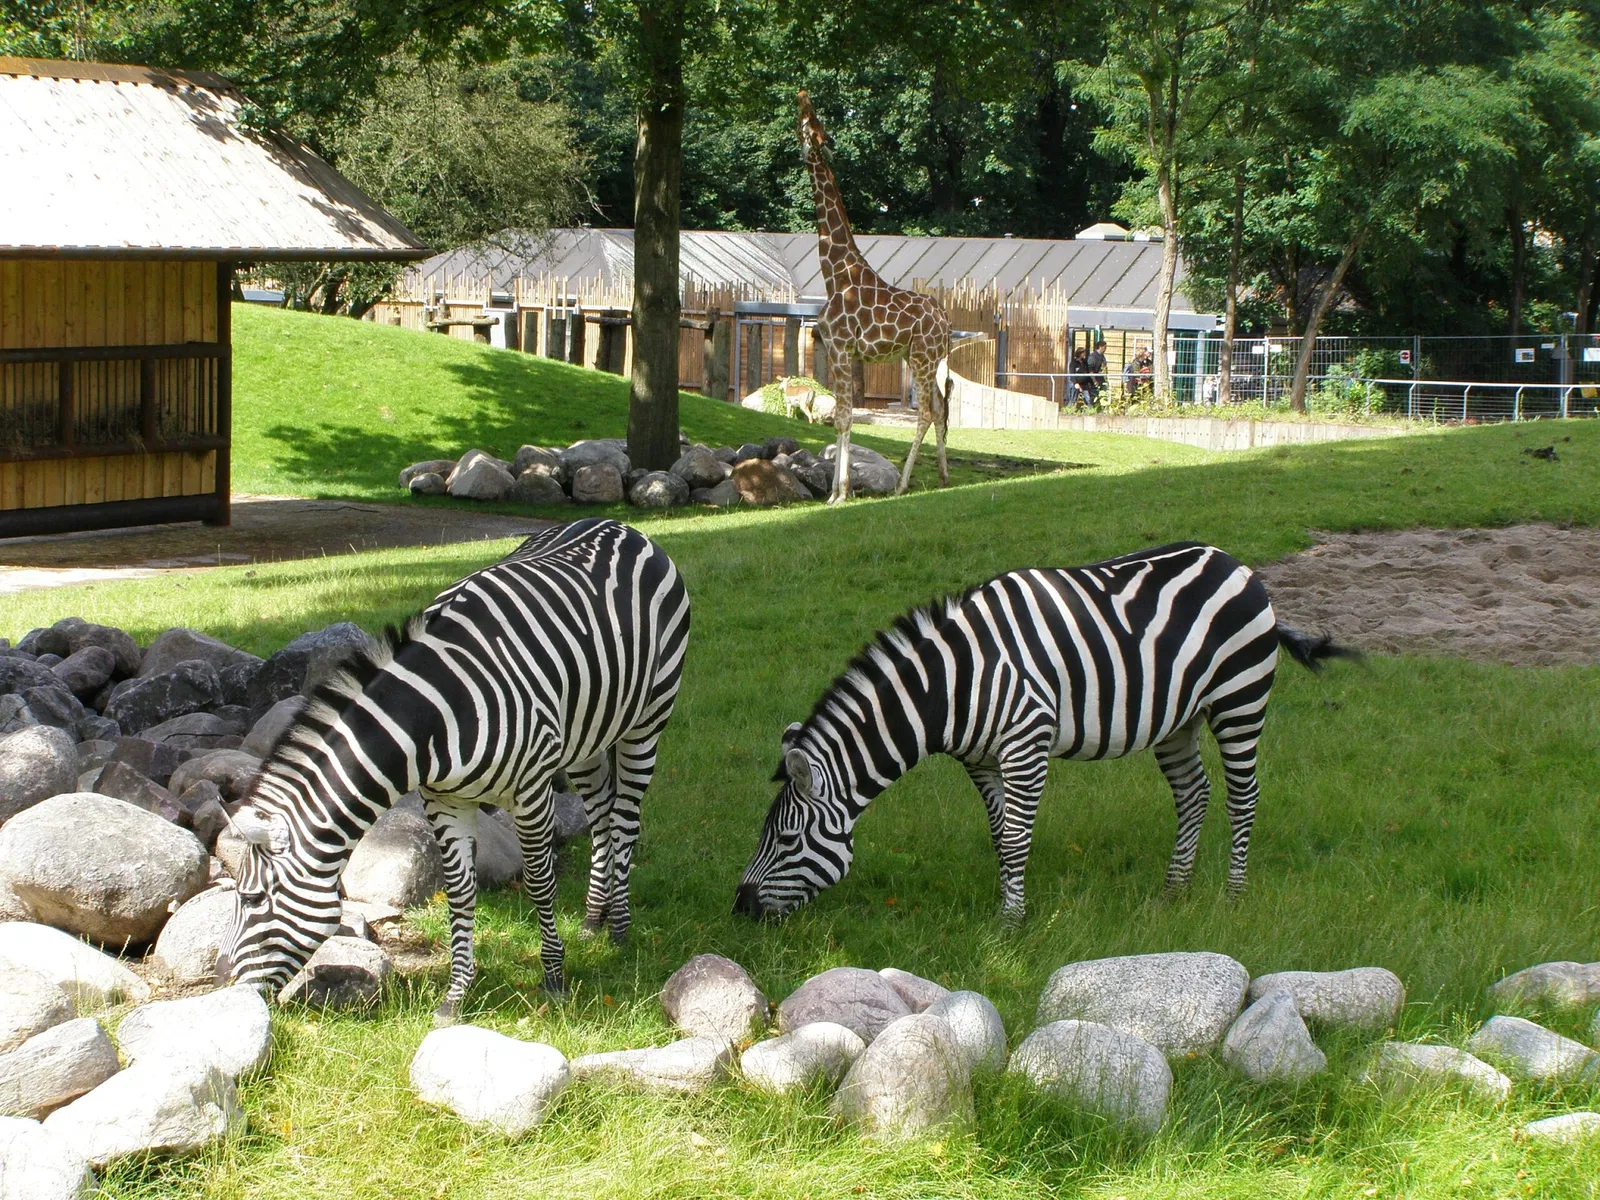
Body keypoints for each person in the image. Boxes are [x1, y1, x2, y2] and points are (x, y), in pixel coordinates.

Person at [1084, 339, 1107, 405]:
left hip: (1102, 379)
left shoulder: (1102, 356)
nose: (1105, 349)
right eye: (1105, 347)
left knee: (1104, 395)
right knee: (1094, 396)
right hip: (1094, 381)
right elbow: (1090, 370)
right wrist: (1094, 380)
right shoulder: (1093, 356)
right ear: (1100, 347)